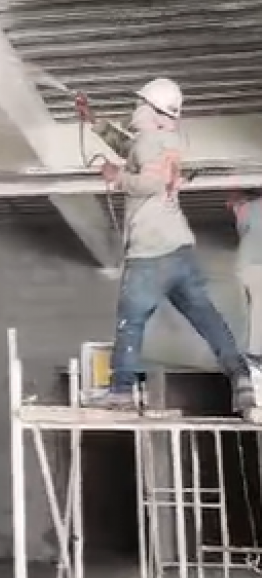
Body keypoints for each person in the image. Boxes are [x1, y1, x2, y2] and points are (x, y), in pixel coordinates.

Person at [76, 77, 255, 417]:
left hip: (151, 251)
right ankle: (241, 378)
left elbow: (150, 182)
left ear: (157, 113)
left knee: (131, 320)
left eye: (142, 104)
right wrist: (94, 121)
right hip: (179, 251)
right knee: (207, 319)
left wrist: (117, 177)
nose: (137, 109)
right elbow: (129, 148)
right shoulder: (164, 141)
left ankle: (121, 390)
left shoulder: (149, 142)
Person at [227, 191, 262, 358]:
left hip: (248, 264)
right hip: (255, 264)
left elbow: (242, 230)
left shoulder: (246, 208)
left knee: (252, 307)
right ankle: (254, 351)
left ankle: (252, 351)